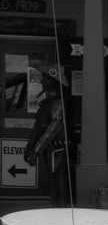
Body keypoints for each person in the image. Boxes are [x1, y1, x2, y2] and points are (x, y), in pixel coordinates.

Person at [24, 65, 76, 207]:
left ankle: (61, 215)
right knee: (54, 185)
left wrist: (35, 150)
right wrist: (30, 146)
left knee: (60, 187)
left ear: (53, 80)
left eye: (45, 78)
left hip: (58, 151)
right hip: (50, 151)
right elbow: (38, 127)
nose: (41, 81)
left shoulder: (57, 102)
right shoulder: (47, 103)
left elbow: (52, 129)